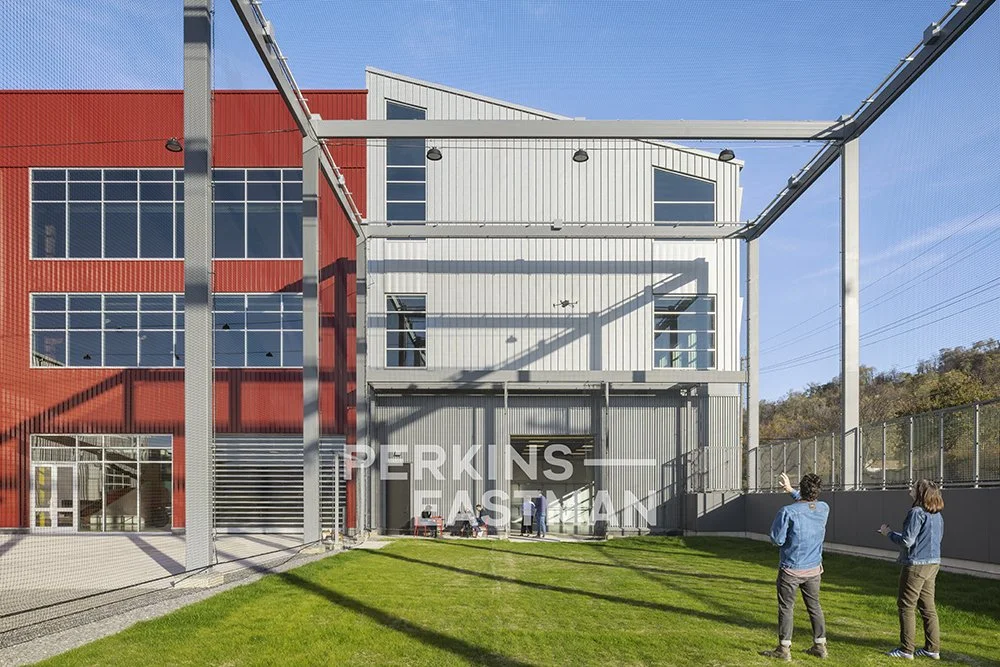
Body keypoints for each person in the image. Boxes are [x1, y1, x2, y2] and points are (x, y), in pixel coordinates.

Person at [762, 472, 830, 661]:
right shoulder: (823, 508)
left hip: (791, 569)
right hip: (814, 569)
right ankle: (820, 646)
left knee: (786, 608)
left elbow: (777, 539)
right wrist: (790, 490)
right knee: (814, 606)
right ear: (818, 491)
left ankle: (784, 650)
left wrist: (793, 492)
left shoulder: (787, 512)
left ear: (802, 488)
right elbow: (808, 503)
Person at [879, 479, 945, 660]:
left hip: (916, 566)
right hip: (933, 564)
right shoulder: (937, 514)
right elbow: (919, 539)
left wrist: (888, 533)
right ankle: (932, 649)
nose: (910, 489)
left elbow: (907, 542)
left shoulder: (916, 513)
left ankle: (906, 650)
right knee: (928, 607)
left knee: (906, 606)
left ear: (921, 492)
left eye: (913, 487)